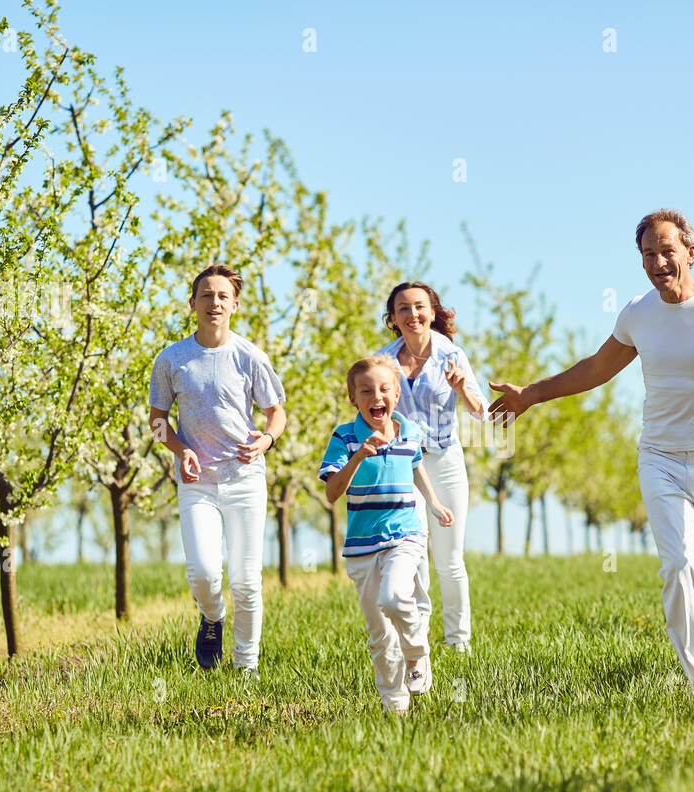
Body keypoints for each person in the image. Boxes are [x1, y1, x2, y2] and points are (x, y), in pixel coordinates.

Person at [488, 209, 694, 704]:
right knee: (679, 565)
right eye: (648, 254)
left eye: (666, 251)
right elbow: (596, 368)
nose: (658, 262)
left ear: (689, 253)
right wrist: (530, 394)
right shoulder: (638, 313)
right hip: (660, 457)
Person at [149, 263, 287, 674]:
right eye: (206, 295)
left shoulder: (250, 357)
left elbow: (276, 412)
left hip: (244, 479)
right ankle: (212, 618)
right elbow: (157, 420)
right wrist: (179, 449)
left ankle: (246, 669)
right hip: (198, 482)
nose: (215, 302)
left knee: (246, 582)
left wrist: (266, 440)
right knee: (205, 573)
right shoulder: (171, 360)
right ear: (192, 303)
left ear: (235, 305)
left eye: (223, 296)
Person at [319, 354, 454, 713]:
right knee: (379, 634)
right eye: (366, 391)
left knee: (394, 598)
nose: (376, 396)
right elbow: (332, 492)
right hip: (362, 545)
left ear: (396, 393)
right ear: (354, 399)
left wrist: (435, 503)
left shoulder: (408, 429)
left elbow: (415, 465)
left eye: (384, 389)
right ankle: (394, 704)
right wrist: (357, 457)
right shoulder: (345, 437)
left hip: (405, 535)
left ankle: (417, 653)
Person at [374, 281, 487, 653]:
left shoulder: (451, 355)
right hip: (404, 468)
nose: (412, 315)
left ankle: (458, 643)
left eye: (419, 307)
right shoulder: (384, 362)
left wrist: (461, 388)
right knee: (414, 553)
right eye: (403, 309)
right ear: (393, 318)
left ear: (433, 312)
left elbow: (482, 412)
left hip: (445, 462)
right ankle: (417, 641)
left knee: (449, 559)